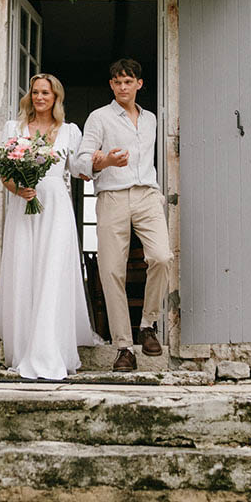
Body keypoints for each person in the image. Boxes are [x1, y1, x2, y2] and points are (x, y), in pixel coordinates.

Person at [0, 72, 98, 380]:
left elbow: (80, 169)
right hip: (24, 205)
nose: (40, 97)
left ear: (56, 98)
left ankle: (49, 348)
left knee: (52, 274)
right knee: (25, 272)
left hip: (56, 208)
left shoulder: (70, 131)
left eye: (46, 93)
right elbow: (3, 173)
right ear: (30, 96)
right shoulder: (14, 129)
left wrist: (102, 161)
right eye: (36, 92)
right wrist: (19, 189)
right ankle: (24, 347)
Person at [75, 58, 173, 373]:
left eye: (128, 81)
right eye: (117, 82)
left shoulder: (151, 120)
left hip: (146, 194)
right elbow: (80, 162)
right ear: (111, 85)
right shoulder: (99, 118)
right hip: (112, 196)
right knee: (111, 271)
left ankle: (148, 324)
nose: (122, 87)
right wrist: (105, 161)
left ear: (139, 84)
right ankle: (123, 348)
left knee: (161, 257)